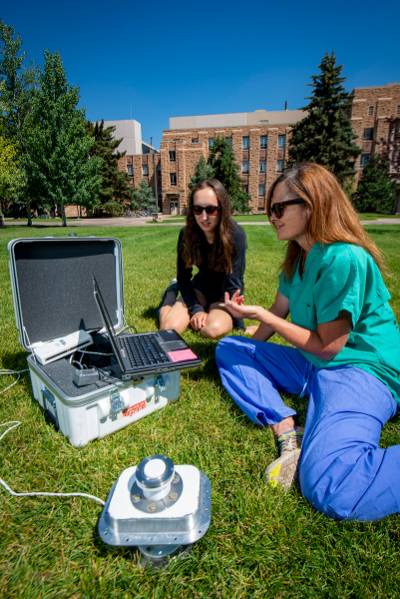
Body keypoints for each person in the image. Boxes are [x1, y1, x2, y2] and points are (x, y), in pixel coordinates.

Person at [216, 163, 400, 521]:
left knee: (333, 485)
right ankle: (287, 427)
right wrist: (255, 341)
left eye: (279, 208)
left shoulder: (344, 258)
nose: (272, 217)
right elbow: (280, 310)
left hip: (360, 369)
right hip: (315, 364)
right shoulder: (297, 257)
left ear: (312, 205)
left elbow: (329, 346)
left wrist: (264, 318)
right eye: (270, 208)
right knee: (230, 348)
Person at [159, 178, 247, 339]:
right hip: (199, 288)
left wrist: (239, 324)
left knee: (211, 330)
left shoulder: (236, 235)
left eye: (211, 210)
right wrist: (196, 308)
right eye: (198, 209)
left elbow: (235, 281)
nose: (204, 217)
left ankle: (207, 309)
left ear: (222, 208)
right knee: (169, 329)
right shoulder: (186, 234)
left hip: (222, 293)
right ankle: (170, 294)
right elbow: (183, 277)